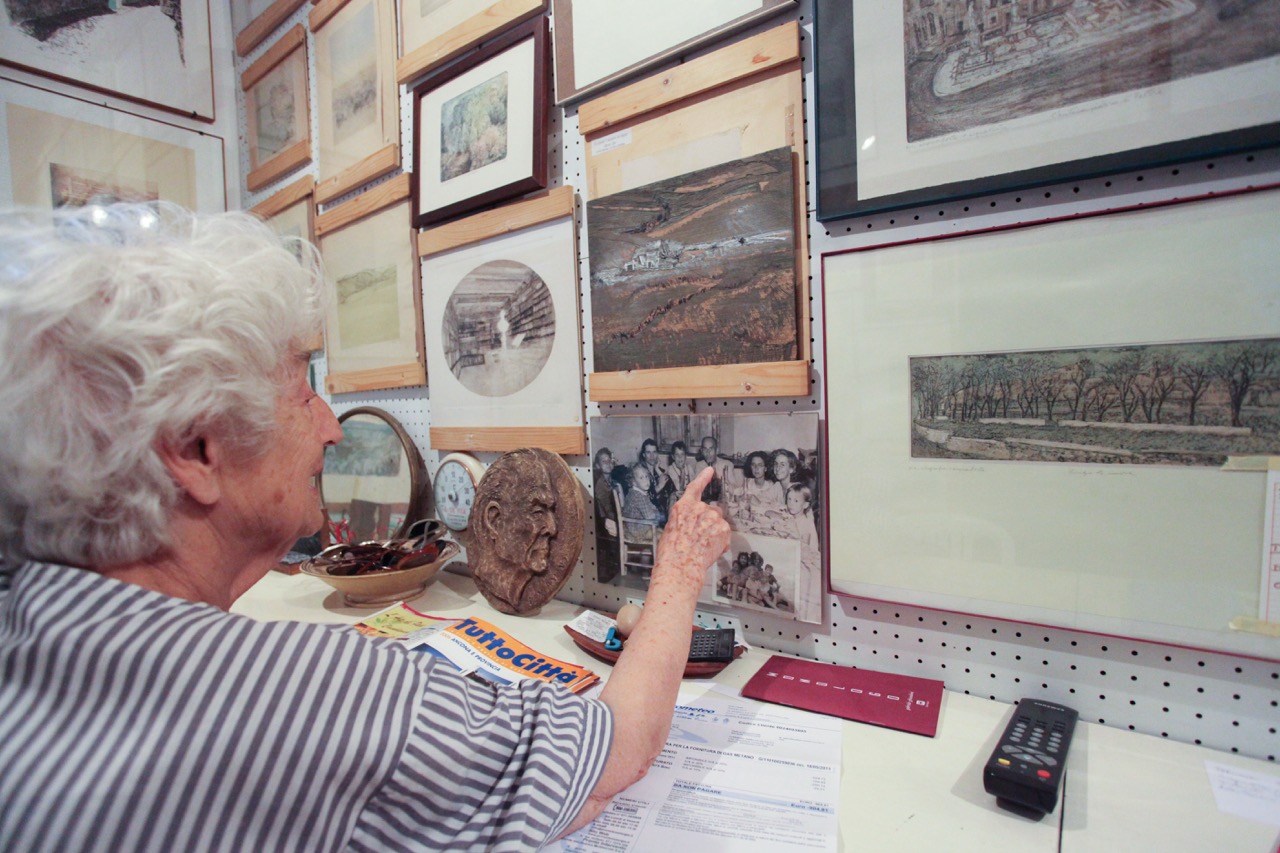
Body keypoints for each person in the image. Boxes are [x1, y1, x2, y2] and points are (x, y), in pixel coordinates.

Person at [0, 203, 731, 852]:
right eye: (301, 391)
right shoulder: (299, 694)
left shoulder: (27, 625)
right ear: (196, 450)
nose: (330, 427)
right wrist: (679, 564)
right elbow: (616, 749)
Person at [693, 435, 733, 504]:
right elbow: (696, 490)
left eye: (711, 449)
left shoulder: (727, 465)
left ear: (717, 450)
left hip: (721, 503)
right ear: (701, 451)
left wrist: (719, 481)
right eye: (705, 449)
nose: (708, 452)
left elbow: (734, 490)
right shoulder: (699, 466)